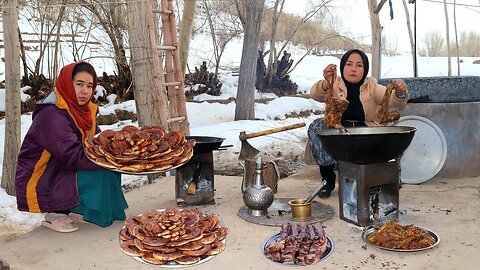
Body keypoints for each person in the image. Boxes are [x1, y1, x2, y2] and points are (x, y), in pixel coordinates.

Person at [15, 62, 128, 232]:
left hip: (63, 165)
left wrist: (118, 152)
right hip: (43, 174)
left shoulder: (84, 110)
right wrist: (109, 160)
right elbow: (72, 156)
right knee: (102, 169)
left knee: (109, 169)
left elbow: (95, 142)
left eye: (90, 86)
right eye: (79, 84)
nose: (85, 91)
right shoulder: (51, 114)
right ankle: (55, 212)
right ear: (67, 83)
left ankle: (80, 209)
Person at [308, 49, 409, 198]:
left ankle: (389, 181)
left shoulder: (372, 85)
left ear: (365, 69)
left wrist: (400, 92)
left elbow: (394, 102)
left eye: (359, 65)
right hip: (339, 131)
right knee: (316, 126)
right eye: (349, 64)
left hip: (364, 133)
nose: (353, 69)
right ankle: (328, 178)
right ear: (342, 67)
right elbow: (315, 94)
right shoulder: (334, 83)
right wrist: (325, 82)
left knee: (394, 136)